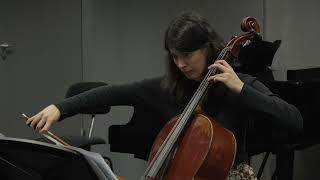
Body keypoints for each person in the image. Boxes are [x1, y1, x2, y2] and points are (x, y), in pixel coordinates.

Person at [26, 11, 303, 179]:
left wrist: (241, 90)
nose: (181, 64)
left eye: (187, 55)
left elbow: (294, 120)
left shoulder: (238, 85)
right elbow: (111, 94)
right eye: (174, 56)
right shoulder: (168, 87)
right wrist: (59, 109)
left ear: (207, 47)